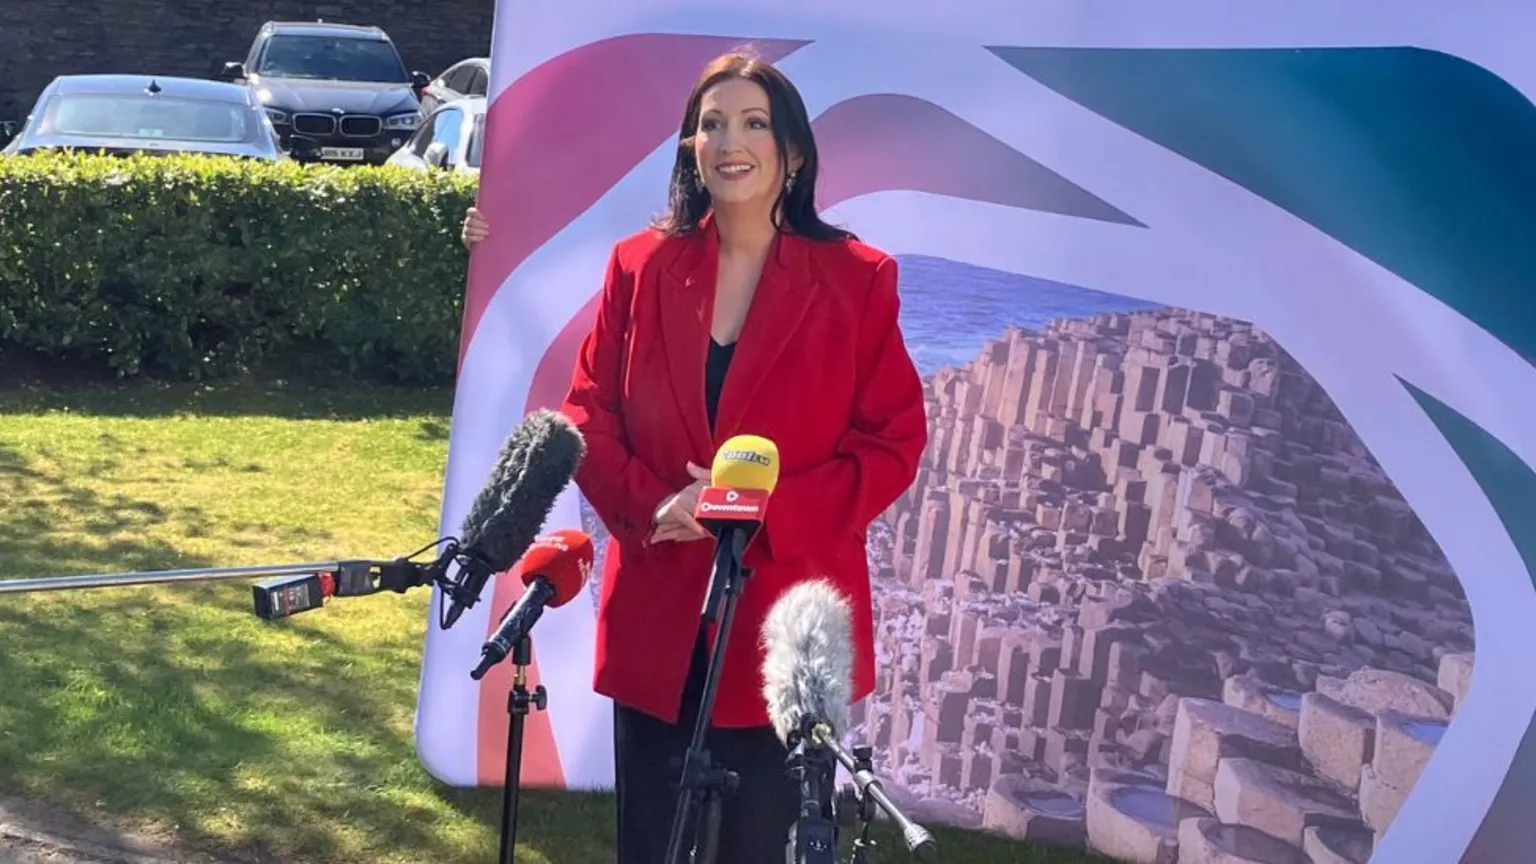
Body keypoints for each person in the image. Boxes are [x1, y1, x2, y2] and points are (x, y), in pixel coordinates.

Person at [464, 50, 927, 863]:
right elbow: (587, 413)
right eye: (711, 124)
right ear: (690, 147)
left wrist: (754, 513)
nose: (730, 141)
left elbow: (892, 443)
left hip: (784, 630)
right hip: (659, 617)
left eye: (753, 123)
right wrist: (655, 505)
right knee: (653, 845)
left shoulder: (858, 279)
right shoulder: (639, 266)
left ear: (793, 152)